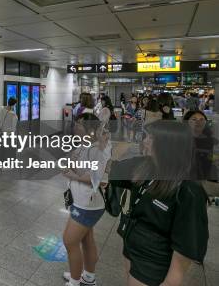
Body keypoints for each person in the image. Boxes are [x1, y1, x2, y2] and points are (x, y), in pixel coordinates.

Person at [109, 121, 209, 286]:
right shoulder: (147, 166)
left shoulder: (189, 189)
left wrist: (169, 283)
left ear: (167, 145)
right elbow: (113, 171)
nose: (145, 141)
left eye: (150, 137)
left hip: (153, 264)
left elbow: (185, 246)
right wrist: (113, 155)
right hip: (131, 249)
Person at [62, 113, 112, 286]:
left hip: (88, 204)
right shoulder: (84, 146)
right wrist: (70, 165)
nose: (76, 127)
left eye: (80, 125)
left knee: (69, 241)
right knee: (86, 239)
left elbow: (99, 179)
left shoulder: (99, 148)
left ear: (91, 129)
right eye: (76, 124)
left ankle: (75, 282)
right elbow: (76, 168)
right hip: (82, 201)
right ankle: (88, 277)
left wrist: (71, 173)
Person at [183, 110, 218, 181]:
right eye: (194, 119)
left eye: (202, 119)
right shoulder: (180, 139)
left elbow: (210, 157)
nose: (198, 122)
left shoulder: (212, 141)